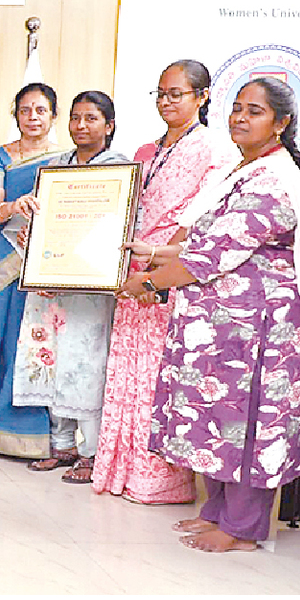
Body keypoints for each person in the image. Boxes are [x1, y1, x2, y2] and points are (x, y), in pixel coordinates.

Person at [132, 77, 300, 552]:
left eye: (255, 111)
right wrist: (155, 255)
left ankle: (243, 528)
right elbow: (203, 241)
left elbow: (211, 255)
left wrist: (147, 282)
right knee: (216, 417)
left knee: (245, 423)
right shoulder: (242, 169)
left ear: (282, 123)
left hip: (256, 328)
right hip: (222, 329)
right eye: (237, 108)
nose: (240, 118)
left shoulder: (274, 178)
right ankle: (218, 513)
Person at [91, 60, 240, 502]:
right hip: (133, 270)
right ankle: (122, 470)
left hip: (172, 274)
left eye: (176, 93)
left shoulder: (216, 148)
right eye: (160, 93)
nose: (166, 102)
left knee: (161, 376)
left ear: (203, 96)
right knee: (128, 370)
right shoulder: (144, 151)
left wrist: (157, 272)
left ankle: (162, 481)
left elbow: (199, 217)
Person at [8, 91, 130, 481]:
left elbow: (123, 226)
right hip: (50, 284)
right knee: (50, 360)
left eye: (91, 118)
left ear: (109, 126)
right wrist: (33, 245)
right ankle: (61, 447)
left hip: (90, 286)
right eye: (76, 118)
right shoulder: (55, 167)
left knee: (84, 364)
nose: (81, 126)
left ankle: (91, 454)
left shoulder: (120, 169)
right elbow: (41, 222)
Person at [0, 83, 63, 458]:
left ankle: (26, 434)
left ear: (53, 115)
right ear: (16, 115)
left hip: (42, 257)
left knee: (31, 342)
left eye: (41, 110)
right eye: (25, 110)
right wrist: (13, 207)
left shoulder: (66, 160)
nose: (33, 117)